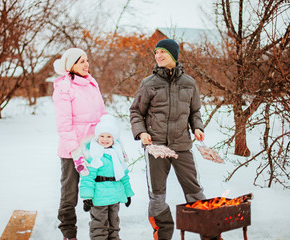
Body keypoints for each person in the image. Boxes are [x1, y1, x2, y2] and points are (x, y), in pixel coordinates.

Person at [129, 39, 214, 240]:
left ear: (173, 56)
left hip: (182, 145)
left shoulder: (189, 83)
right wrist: (142, 133)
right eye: (156, 52)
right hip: (156, 147)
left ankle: (209, 234)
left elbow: (195, 112)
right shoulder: (148, 84)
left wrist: (197, 127)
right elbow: (135, 112)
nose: (158, 56)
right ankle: (163, 235)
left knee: (194, 191)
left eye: (163, 53)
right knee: (157, 196)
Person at [52, 47, 107, 240]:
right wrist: (75, 152)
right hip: (72, 149)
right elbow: (64, 125)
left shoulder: (92, 84)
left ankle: (100, 233)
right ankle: (68, 233)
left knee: (97, 189)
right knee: (70, 192)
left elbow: (102, 114)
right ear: (71, 65)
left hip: (94, 146)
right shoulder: (63, 88)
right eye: (81, 61)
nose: (86, 64)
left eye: (86, 60)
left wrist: (109, 137)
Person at [79, 114, 134, 240]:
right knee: (99, 225)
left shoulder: (118, 155)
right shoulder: (94, 156)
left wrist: (128, 193)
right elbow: (87, 178)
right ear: (97, 137)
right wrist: (87, 196)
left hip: (115, 197)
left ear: (114, 138)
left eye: (109, 136)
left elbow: (124, 176)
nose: (105, 139)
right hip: (99, 198)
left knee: (114, 224)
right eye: (102, 136)